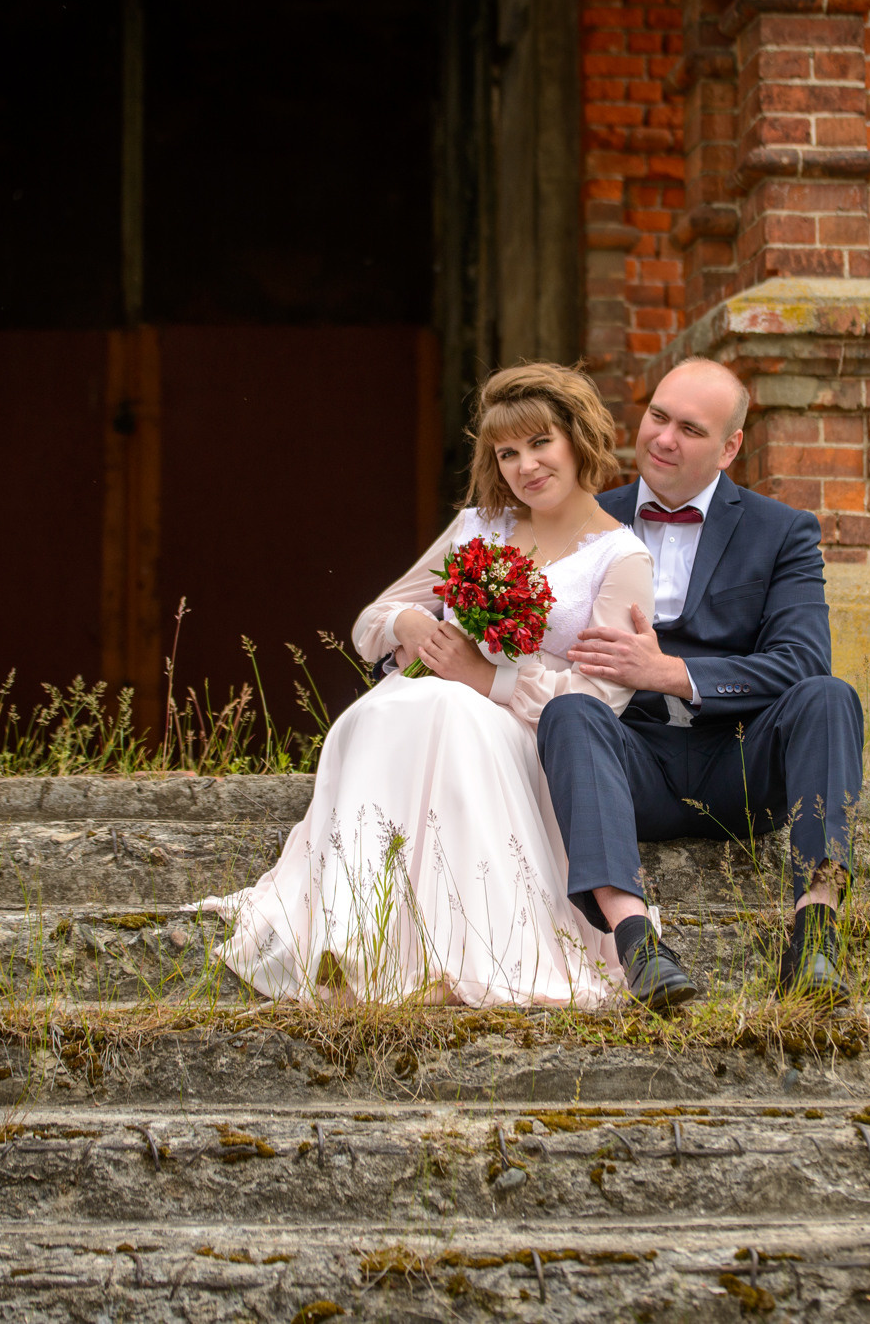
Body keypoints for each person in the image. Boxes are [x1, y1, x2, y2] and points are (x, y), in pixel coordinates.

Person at [190, 364, 653, 1008]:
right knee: (379, 715)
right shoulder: (476, 527)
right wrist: (409, 620)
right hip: (425, 697)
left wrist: (489, 677)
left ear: (578, 439)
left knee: (448, 712)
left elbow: (599, 702)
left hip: (525, 735)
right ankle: (365, 944)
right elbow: (370, 622)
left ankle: (462, 952)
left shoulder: (620, 557)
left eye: (540, 443)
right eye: (507, 453)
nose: (526, 466)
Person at [545, 356, 865, 1010]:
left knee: (829, 695)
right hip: (631, 767)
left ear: (730, 447)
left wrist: (669, 672)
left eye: (690, 429)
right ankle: (636, 942)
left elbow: (802, 659)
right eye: (657, 416)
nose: (663, 438)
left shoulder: (783, 532)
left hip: (742, 762)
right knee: (570, 710)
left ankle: (817, 932)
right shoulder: (579, 521)